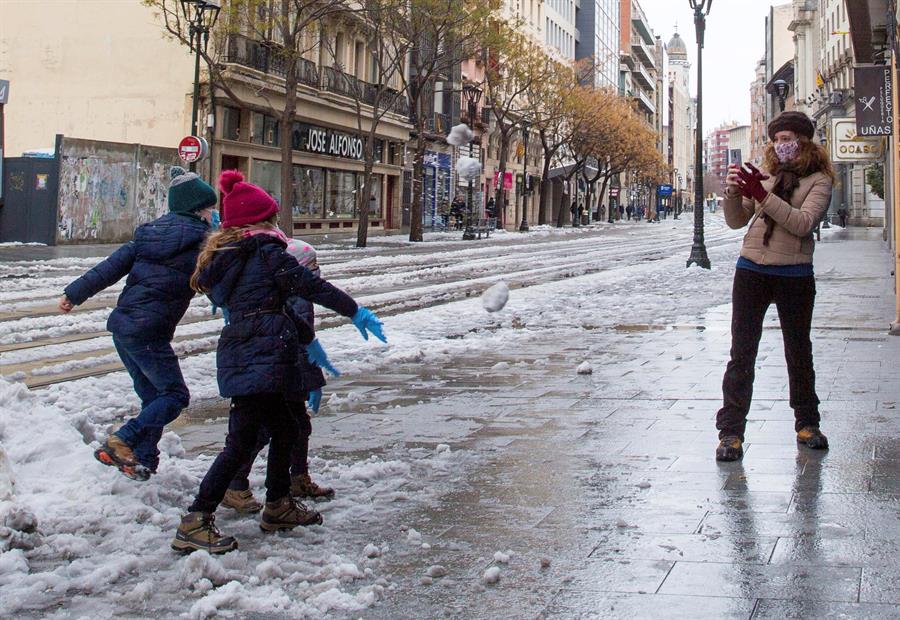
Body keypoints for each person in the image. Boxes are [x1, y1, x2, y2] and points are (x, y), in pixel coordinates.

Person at [173, 171, 386, 554]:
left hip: (247, 350)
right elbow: (310, 287)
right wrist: (355, 311)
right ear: (256, 223)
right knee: (241, 442)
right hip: (263, 354)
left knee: (286, 427)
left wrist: (307, 343)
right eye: (270, 218)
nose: (276, 225)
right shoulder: (265, 252)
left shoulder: (230, 256)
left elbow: (271, 306)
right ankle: (196, 518)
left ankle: (278, 504)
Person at [60, 167, 217, 481]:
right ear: (198, 209)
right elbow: (217, 280)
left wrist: (73, 294)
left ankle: (142, 461)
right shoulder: (202, 243)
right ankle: (123, 439)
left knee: (153, 398)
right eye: (211, 208)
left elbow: (109, 268)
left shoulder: (148, 234)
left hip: (123, 329)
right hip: (150, 332)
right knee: (174, 396)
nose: (214, 214)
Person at [715, 111, 834, 462]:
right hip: (751, 269)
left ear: (804, 141)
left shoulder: (819, 180)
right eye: (777, 139)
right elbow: (738, 221)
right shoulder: (766, 175)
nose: (781, 145)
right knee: (741, 353)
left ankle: (807, 423)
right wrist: (735, 194)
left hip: (794, 274)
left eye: (787, 139)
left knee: (798, 352)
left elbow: (803, 223)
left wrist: (761, 195)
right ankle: (731, 433)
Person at [221, 240, 338, 516]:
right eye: (312, 266)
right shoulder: (290, 296)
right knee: (264, 430)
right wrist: (312, 379)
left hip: (285, 372)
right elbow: (296, 342)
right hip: (280, 373)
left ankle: (295, 479)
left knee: (296, 427)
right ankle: (239, 485)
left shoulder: (293, 293)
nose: (317, 271)